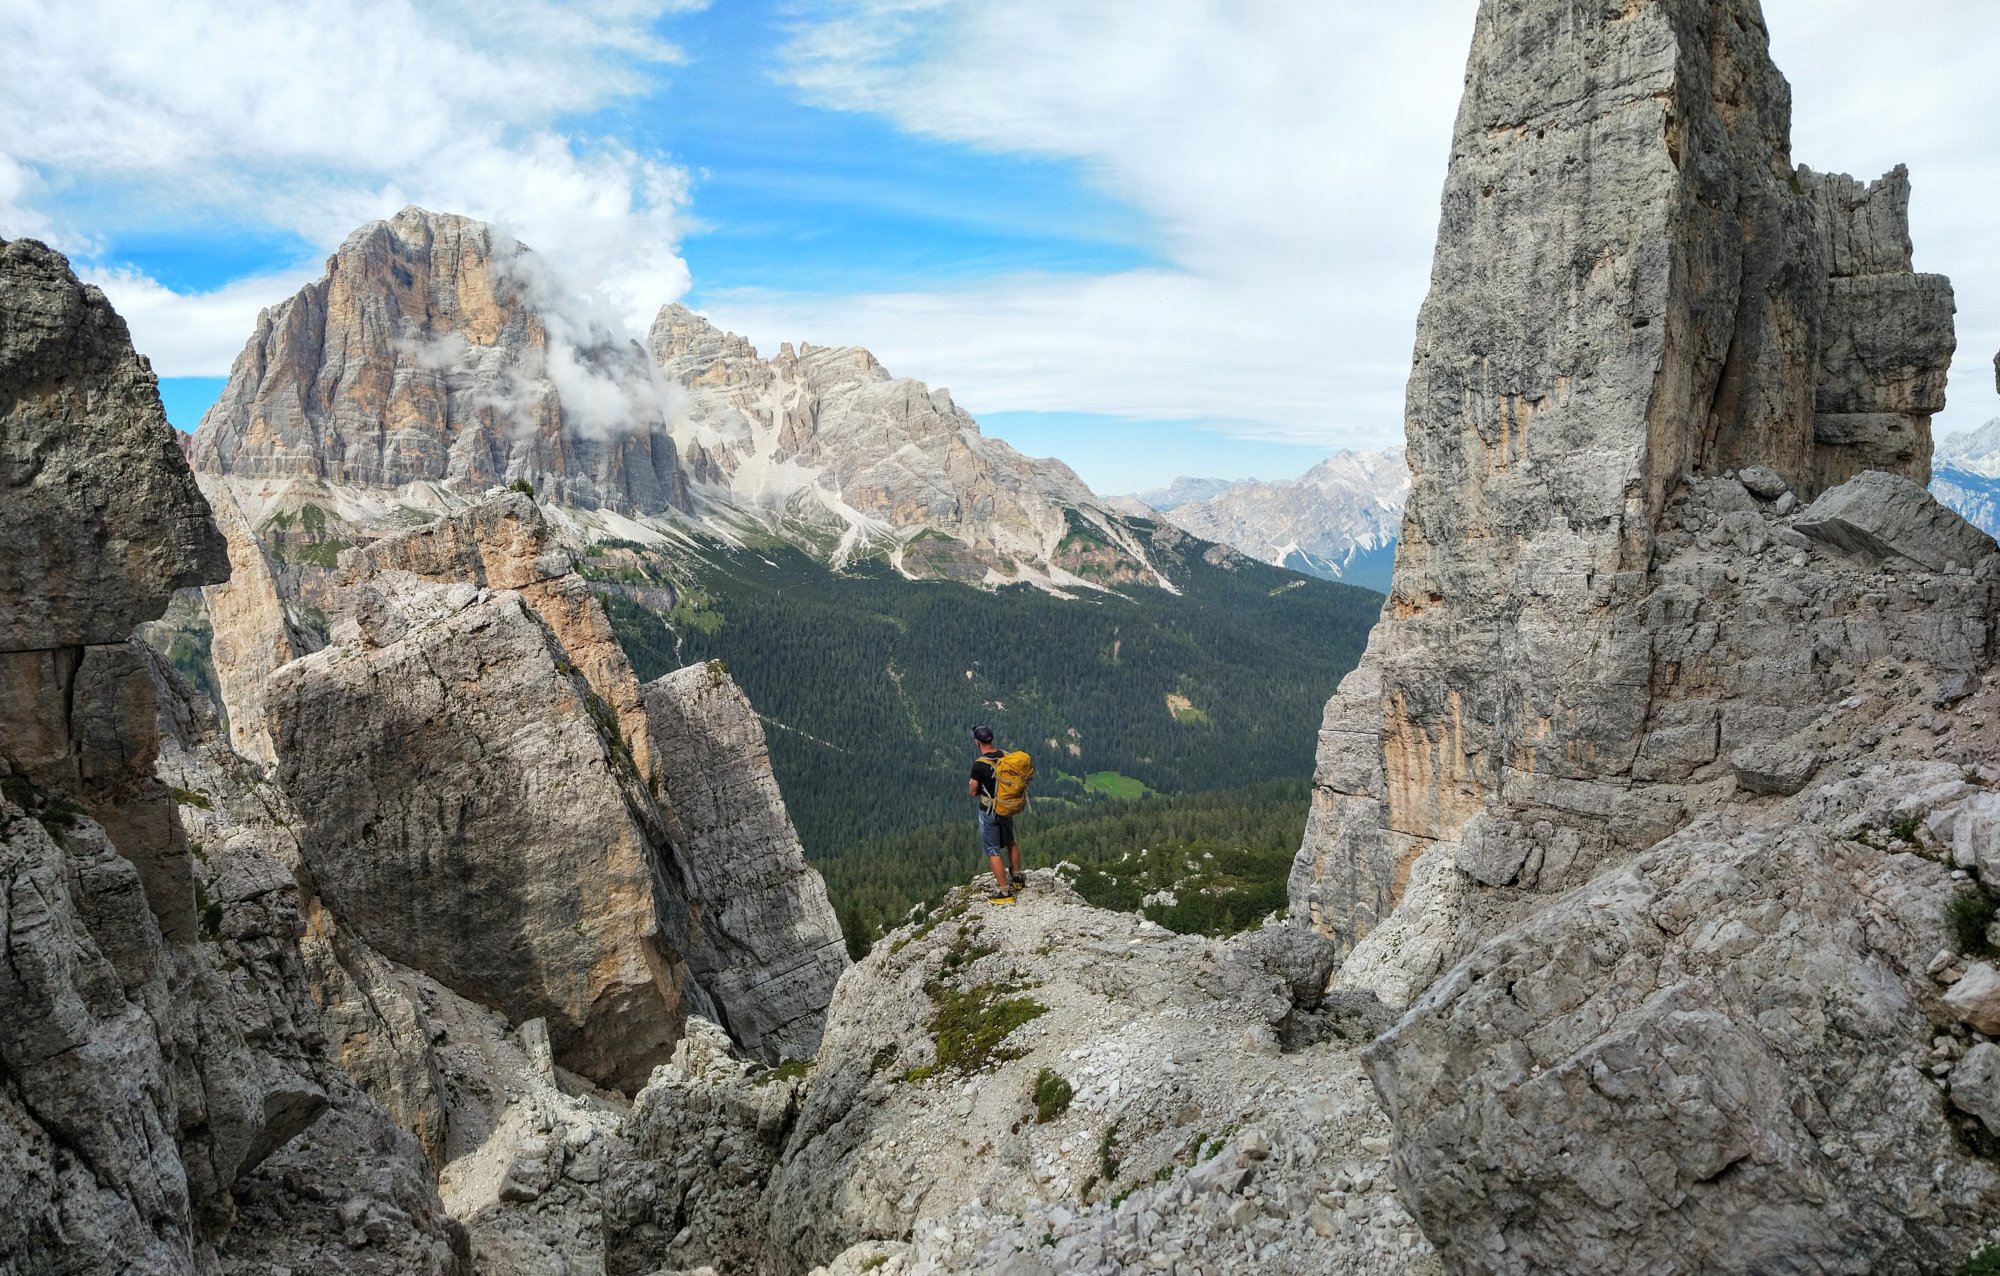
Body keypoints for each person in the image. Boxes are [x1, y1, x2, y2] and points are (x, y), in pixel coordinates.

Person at [968, 724, 1024, 899]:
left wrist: (974, 784)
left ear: (977, 742)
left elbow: (972, 792)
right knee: (1010, 842)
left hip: (989, 810)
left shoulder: (979, 765)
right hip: (1006, 806)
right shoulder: (1005, 755)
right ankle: (1017, 877)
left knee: (993, 850)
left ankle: (1004, 892)